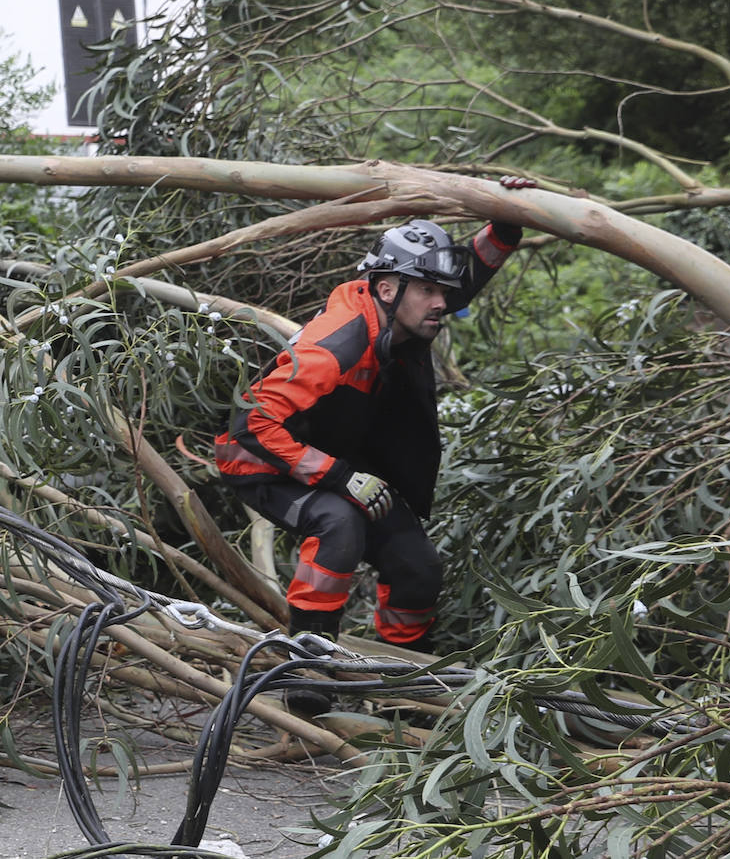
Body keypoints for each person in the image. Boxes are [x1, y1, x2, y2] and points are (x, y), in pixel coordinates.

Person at [214, 183, 531, 664]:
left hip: (330, 452)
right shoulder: (336, 344)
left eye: (441, 292)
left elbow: (470, 275)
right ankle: (309, 667)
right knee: (339, 524)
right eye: (429, 291)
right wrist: (340, 477)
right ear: (388, 288)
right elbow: (253, 423)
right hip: (260, 460)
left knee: (417, 566)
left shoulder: (406, 310)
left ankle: (406, 677)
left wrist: (506, 221)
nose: (442, 303)